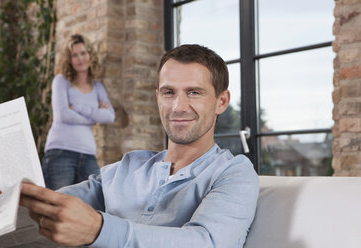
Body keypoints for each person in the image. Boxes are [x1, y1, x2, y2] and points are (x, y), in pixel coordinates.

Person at [20, 44, 259, 247]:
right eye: (168, 92)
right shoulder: (129, 165)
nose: (178, 106)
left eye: (194, 92)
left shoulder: (234, 172)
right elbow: (53, 203)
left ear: (221, 101)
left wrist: (99, 229)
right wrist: (12, 193)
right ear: (157, 97)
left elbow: (205, 242)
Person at [42, 34, 115, 190]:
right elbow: (63, 115)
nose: (80, 58)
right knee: (58, 205)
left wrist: (79, 108)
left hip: (88, 154)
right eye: (74, 55)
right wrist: (94, 116)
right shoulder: (61, 81)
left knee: (94, 202)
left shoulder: (98, 87)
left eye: (83, 53)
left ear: (90, 55)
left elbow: (109, 116)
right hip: (60, 152)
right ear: (69, 59)